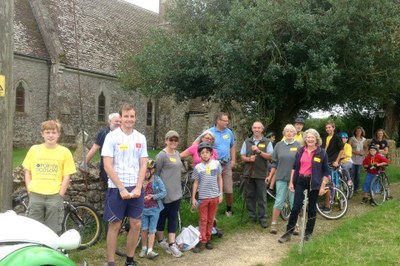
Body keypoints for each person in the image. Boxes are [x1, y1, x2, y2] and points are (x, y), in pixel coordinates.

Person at [102, 104, 148, 266]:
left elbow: (143, 164)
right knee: (115, 224)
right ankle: (111, 262)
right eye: (126, 116)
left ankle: (129, 259)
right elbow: (107, 165)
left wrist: (138, 186)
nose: (129, 119)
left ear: (135, 118)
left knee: (136, 224)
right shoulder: (111, 137)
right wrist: (121, 188)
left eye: (132, 116)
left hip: (136, 188)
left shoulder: (140, 138)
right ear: (120, 118)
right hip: (116, 188)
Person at [22, 120, 76, 234]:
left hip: (54, 196)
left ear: (58, 134)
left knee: (53, 230)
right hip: (36, 195)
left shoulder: (65, 152)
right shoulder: (34, 150)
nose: (50, 135)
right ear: (42, 133)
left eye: (53, 132)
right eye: (47, 132)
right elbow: (27, 171)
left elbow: (67, 175)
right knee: (33, 229)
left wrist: (60, 194)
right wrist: (29, 189)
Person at [278, 129, 329, 243]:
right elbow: (294, 168)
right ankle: (288, 233)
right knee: (295, 207)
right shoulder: (300, 151)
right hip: (300, 180)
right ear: (305, 139)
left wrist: (323, 185)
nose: (310, 139)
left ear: (316, 139)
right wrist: (291, 182)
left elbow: (326, 171)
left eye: (312, 137)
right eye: (308, 137)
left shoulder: (322, 152)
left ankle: (308, 234)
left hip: (314, 182)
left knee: (311, 209)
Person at [195, 112, 235, 216]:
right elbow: (195, 144)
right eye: (225, 121)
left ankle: (229, 209)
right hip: (212, 165)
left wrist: (233, 160)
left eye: (227, 120)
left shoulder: (229, 132)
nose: (227, 122)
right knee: (212, 188)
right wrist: (198, 158)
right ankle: (212, 212)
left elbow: (232, 146)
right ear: (218, 120)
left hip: (226, 164)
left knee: (228, 188)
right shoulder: (209, 132)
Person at [266, 124, 301, 234]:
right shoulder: (278, 146)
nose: (289, 133)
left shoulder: (299, 146)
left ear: (294, 133)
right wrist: (270, 176)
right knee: (279, 201)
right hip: (281, 177)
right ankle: (274, 224)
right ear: (284, 133)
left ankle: (295, 225)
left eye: (291, 131)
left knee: (294, 202)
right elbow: (274, 163)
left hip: (294, 180)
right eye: (287, 131)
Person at [155, 130, 183, 258]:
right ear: (166, 140)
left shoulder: (177, 154)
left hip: (176, 192)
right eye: (171, 140)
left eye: (175, 140)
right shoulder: (161, 155)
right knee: (162, 217)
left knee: (172, 218)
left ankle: (172, 243)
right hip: (164, 193)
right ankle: (160, 240)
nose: (173, 142)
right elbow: (156, 174)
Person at [191, 142, 223, 253]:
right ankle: (202, 240)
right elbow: (195, 182)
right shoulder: (198, 167)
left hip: (214, 196)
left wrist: (221, 193)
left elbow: (220, 178)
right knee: (203, 219)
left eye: (207, 152)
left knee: (210, 219)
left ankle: (209, 239)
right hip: (203, 198)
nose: (205, 154)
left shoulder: (216, 164)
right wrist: (193, 198)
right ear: (199, 155)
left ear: (211, 153)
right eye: (202, 153)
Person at [240, 121, 272, 228]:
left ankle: (263, 218)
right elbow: (242, 156)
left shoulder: (267, 142)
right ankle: (252, 217)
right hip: (248, 173)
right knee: (249, 196)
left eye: (259, 128)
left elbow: (270, 157)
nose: (257, 129)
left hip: (261, 173)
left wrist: (258, 151)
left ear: (262, 129)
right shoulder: (247, 141)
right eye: (254, 128)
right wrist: (249, 159)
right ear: (252, 129)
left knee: (262, 197)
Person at [80, 113, 121, 184]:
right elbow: (94, 148)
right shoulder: (104, 133)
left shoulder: (123, 134)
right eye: (116, 121)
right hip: (107, 170)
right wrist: (84, 163)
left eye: (120, 121)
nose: (118, 123)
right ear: (110, 121)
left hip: (121, 170)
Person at [139, 159, 167, 260]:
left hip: (154, 209)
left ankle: (150, 250)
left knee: (152, 230)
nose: (145, 174)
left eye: (147, 171)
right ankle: (143, 248)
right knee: (144, 229)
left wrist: (153, 196)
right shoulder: (140, 180)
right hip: (143, 209)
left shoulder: (157, 180)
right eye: (143, 171)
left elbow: (164, 193)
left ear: (152, 171)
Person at [321, 121, 344, 212]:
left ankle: (328, 205)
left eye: (330, 127)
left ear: (333, 128)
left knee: (328, 183)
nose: (328, 129)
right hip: (325, 161)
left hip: (332, 161)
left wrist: (337, 161)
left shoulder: (337, 137)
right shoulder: (325, 137)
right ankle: (326, 202)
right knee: (324, 182)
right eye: (326, 128)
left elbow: (341, 150)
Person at [349, 126, 366, 192]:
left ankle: (357, 187)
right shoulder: (352, 139)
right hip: (353, 158)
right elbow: (348, 148)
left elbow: (366, 148)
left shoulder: (364, 140)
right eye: (357, 131)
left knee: (358, 174)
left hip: (360, 159)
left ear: (362, 132)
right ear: (355, 132)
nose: (358, 132)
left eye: (360, 131)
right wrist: (356, 152)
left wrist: (363, 152)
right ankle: (351, 187)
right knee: (352, 173)